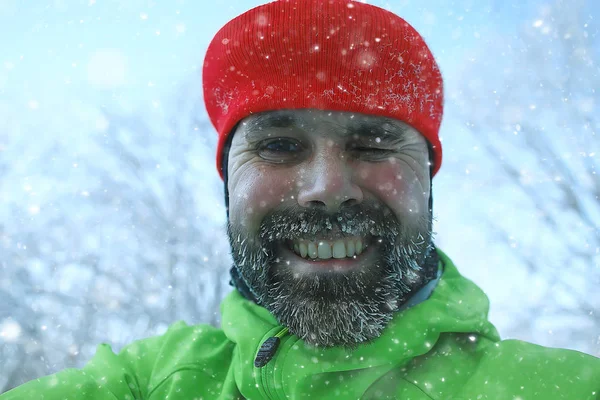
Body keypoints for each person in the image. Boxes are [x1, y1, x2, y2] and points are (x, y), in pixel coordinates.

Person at [2, 0, 599, 399]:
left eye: (373, 142)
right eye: (280, 145)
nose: (325, 188)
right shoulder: (152, 383)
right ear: (227, 184)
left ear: (428, 178)